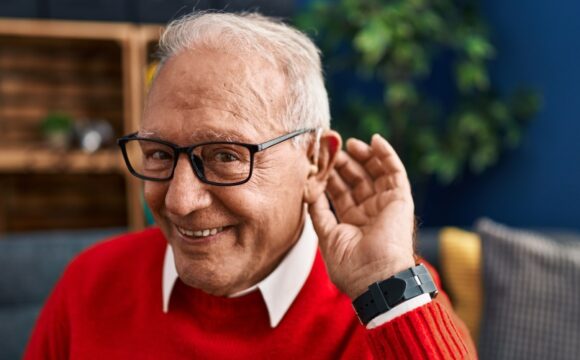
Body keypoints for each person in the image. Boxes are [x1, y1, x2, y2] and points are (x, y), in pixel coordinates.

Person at [25, 12, 476, 359]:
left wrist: (386, 288)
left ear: (316, 161)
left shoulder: (389, 294)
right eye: (160, 154)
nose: (180, 201)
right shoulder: (90, 283)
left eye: (225, 156)